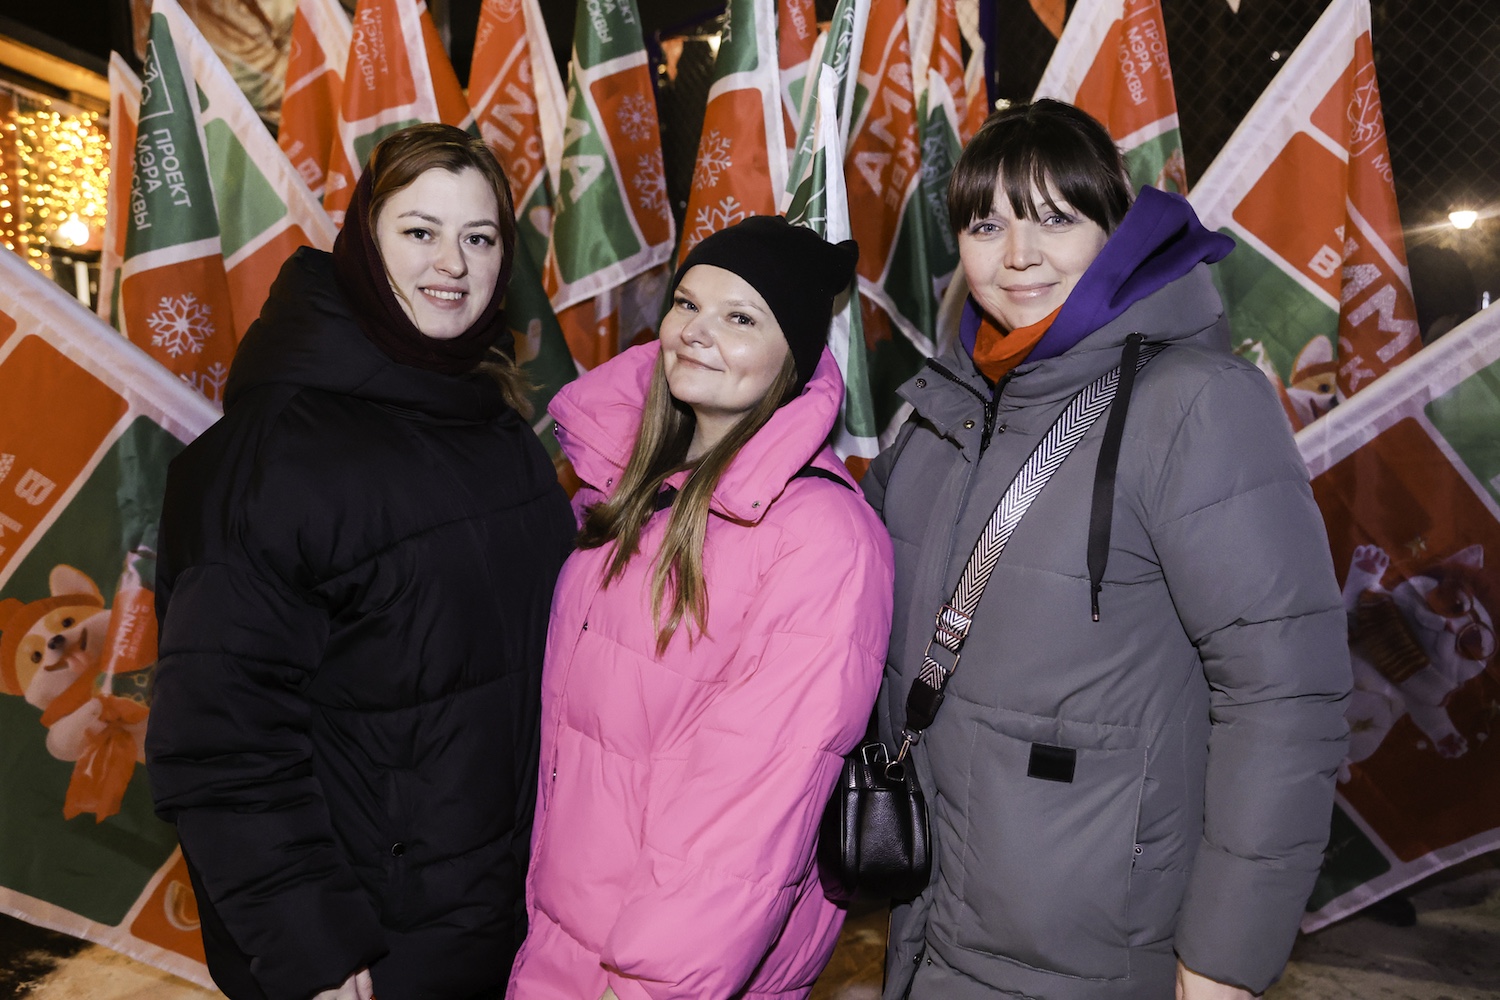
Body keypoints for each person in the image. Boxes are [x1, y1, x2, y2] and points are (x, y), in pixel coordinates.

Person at [867, 100, 1352, 999]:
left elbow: (1284, 692)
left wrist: (1223, 959)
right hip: (933, 920)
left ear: (1116, 233)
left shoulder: (1197, 403)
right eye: (987, 224)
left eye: (1056, 219)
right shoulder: (946, 407)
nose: (1019, 254)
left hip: (1094, 948)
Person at [146, 123, 575, 1000]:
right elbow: (220, 739)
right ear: (364, 243)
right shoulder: (274, 456)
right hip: (372, 951)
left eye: (480, 237)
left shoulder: (494, 423)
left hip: (510, 924)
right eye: (420, 231)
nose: (452, 263)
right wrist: (314, 947)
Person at [507, 216, 894, 1000]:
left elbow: (750, 808)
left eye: (740, 318)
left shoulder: (820, 537)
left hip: (661, 972)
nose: (695, 331)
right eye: (686, 303)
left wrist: (647, 984)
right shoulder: (632, 488)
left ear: (795, 355)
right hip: (563, 939)